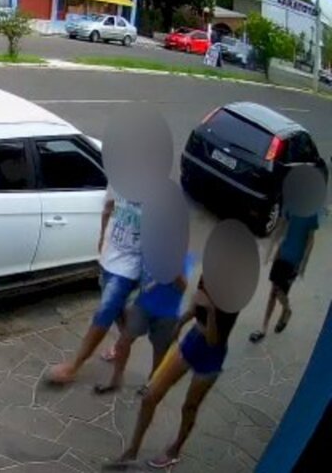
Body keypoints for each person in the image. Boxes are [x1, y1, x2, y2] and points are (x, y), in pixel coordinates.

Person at [109, 279, 238, 469]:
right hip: (191, 342)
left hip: (212, 354)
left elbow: (213, 341)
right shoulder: (208, 277)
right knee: (150, 396)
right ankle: (132, 450)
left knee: (189, 406)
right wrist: (179, 324)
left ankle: (176, 449)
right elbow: (195, 308)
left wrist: (211, 310)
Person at [48, 187, 143, 383]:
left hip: (130, 266)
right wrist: (102, 238)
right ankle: (124, 342)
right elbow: (108, 207)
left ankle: (74, 367)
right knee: (118, 312)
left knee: (105, 312)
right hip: (110, 259)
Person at [94, 257, 191, 395]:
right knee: (124, 341)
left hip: (167, 313)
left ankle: (151, 382)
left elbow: (183, 287)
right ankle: (116, 380)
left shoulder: (182, 257)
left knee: (160, 350)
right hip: (142, 306)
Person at [249, 209, 320, 343]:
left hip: (294, 260)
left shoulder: (311, 213)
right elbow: (282, 227)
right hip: (282, 254)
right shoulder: (292, 205)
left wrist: (303, 265)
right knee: (273, 292)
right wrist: (272, 250)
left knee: (280, 292)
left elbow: (310, 240)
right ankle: (263, 328)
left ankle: (286, 310)